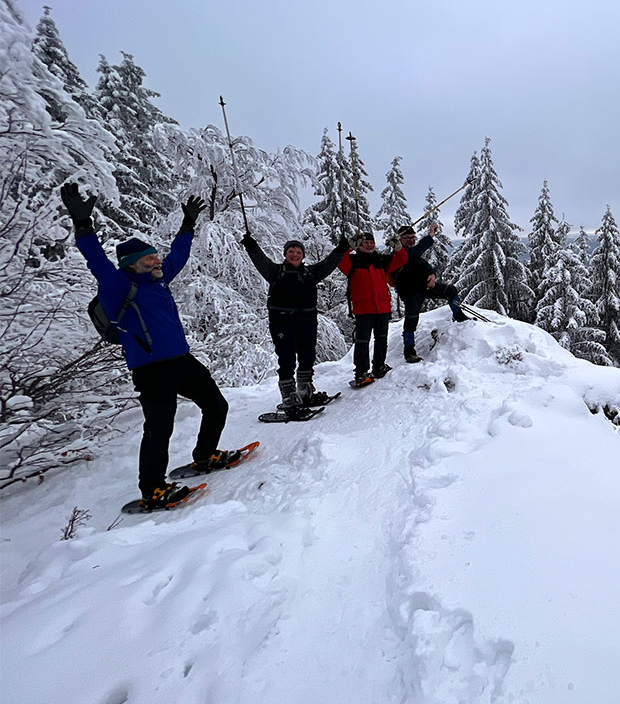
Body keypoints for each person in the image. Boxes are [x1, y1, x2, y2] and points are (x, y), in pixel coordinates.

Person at [62, 182, 241, 508]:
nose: (158, 261)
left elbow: (179, 255)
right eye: (149, 259)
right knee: (160, 427)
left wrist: (187, 225)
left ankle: (204, 455)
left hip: (182, 361)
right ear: (132, 264)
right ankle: (153, 488)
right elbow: (96, 260)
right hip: (151, 369)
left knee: (217, 405)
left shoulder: (159, 279)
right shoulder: (118, 285)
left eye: (156, 257)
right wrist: (83, 226)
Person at [240, 231, 350, 411]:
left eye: (298, 252)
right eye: (291, 251)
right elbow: (260, 260)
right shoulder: (275, 272)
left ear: (303, 255)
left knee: (308, 357)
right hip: (282, 324)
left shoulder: (310, 273)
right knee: (287, 359)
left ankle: (305, 391)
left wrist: (341, 249)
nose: (295, 254)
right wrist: (251, 246)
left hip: (307, 322)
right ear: (285, 254)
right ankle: (288, 396)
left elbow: (328, 264)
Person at [392, 222, 469, 363]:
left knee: (450, 290)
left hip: (425, 287)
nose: (411, 240)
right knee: (411, 320)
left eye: (413, 237)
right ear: (400, 240)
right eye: (408, 237)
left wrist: (432, 275)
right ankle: (409, 350)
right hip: (411, 292)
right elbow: (416, 251)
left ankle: (459, 315)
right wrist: (430, 236)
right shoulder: (399, 253)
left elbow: (425, 265)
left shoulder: (413, 254)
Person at [338, 231, 407, 386]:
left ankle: (379, 366)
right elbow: (339, 260)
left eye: (371, 242)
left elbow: (402, 259)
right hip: (364, 309)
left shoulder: (381, 260)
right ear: (359, 246)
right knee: (362, 342)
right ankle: (361, 372)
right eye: (364, 243)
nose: (368, 245)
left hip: (382, 306)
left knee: (381, 339)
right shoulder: (352, 261)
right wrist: (348, 247)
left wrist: (398, 248)